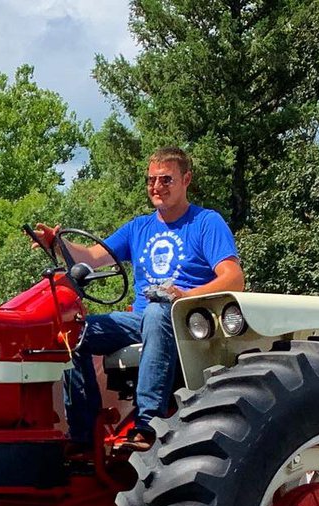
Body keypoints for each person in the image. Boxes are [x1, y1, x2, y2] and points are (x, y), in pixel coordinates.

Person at [34, 146, 244, 449]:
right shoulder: (139, 227)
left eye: (166, 180)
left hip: (186, 317)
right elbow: (92, 258)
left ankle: (147, 424)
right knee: (73, 331)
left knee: (159, 312)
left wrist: (185, 296)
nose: (156, 187)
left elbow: (233, 278)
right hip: (141, 318)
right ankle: (83, 435)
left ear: (186, 180)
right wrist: (57, 244)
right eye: (151, 180)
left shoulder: (205, 222)